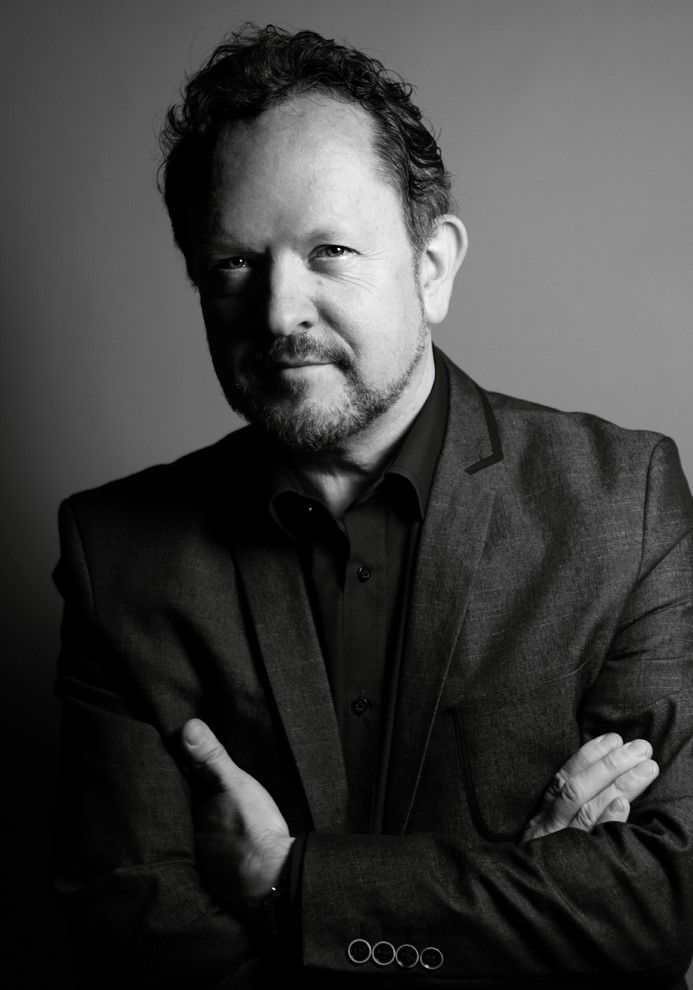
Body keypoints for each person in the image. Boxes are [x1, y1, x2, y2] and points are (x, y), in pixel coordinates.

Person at [53, 23, 693, 990]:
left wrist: (289, 884)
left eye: (330, 250)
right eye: (233, 263)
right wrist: (526, 904)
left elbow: (662, 901)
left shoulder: (625, 498)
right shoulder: (120, 555)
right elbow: (133, 929)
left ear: (431, 266)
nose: (277, 312)